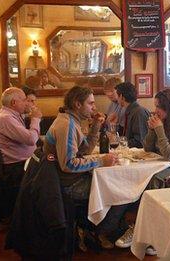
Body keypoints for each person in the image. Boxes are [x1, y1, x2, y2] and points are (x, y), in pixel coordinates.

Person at [113, 88, 170, 250]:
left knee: (152, 179)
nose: (155, 110)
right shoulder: (162, 122)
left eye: (159, 107)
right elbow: (148, 148)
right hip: (159, 165)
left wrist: (159, 130)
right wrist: (151, 130)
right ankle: (139, 227)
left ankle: (147, 232)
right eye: (155, 106)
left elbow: (169, 155)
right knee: (135, 177)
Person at [43, 86, 120, 249]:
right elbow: (69, 164)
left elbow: (85, 151)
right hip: (65, 184)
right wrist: (101, 161)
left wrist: (96, 126)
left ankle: (88, 228)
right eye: (91, 103)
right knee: (116, 190)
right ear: (78, 104)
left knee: (112, 185)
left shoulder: (71, 120)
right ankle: (99, 231)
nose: (94, 107)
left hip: (67, 178)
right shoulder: (67, 125)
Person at [0, 87, 42, 216]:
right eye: (24, 100)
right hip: (13, 170)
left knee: (48, 167)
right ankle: (33, 218)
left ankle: (36, 216)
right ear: (14, 103)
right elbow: (31, 140)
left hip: (20, 165)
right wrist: (35, 119)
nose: (27, 103)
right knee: (50, 174)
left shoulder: (12, 115)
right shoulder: (5, 118)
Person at [115, 82, 150, 148]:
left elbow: (140, 141)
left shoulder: (139, 112)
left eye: (117, 96)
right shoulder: (130, 111)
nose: (117, 99)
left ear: (122, 97)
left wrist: (118, 142)